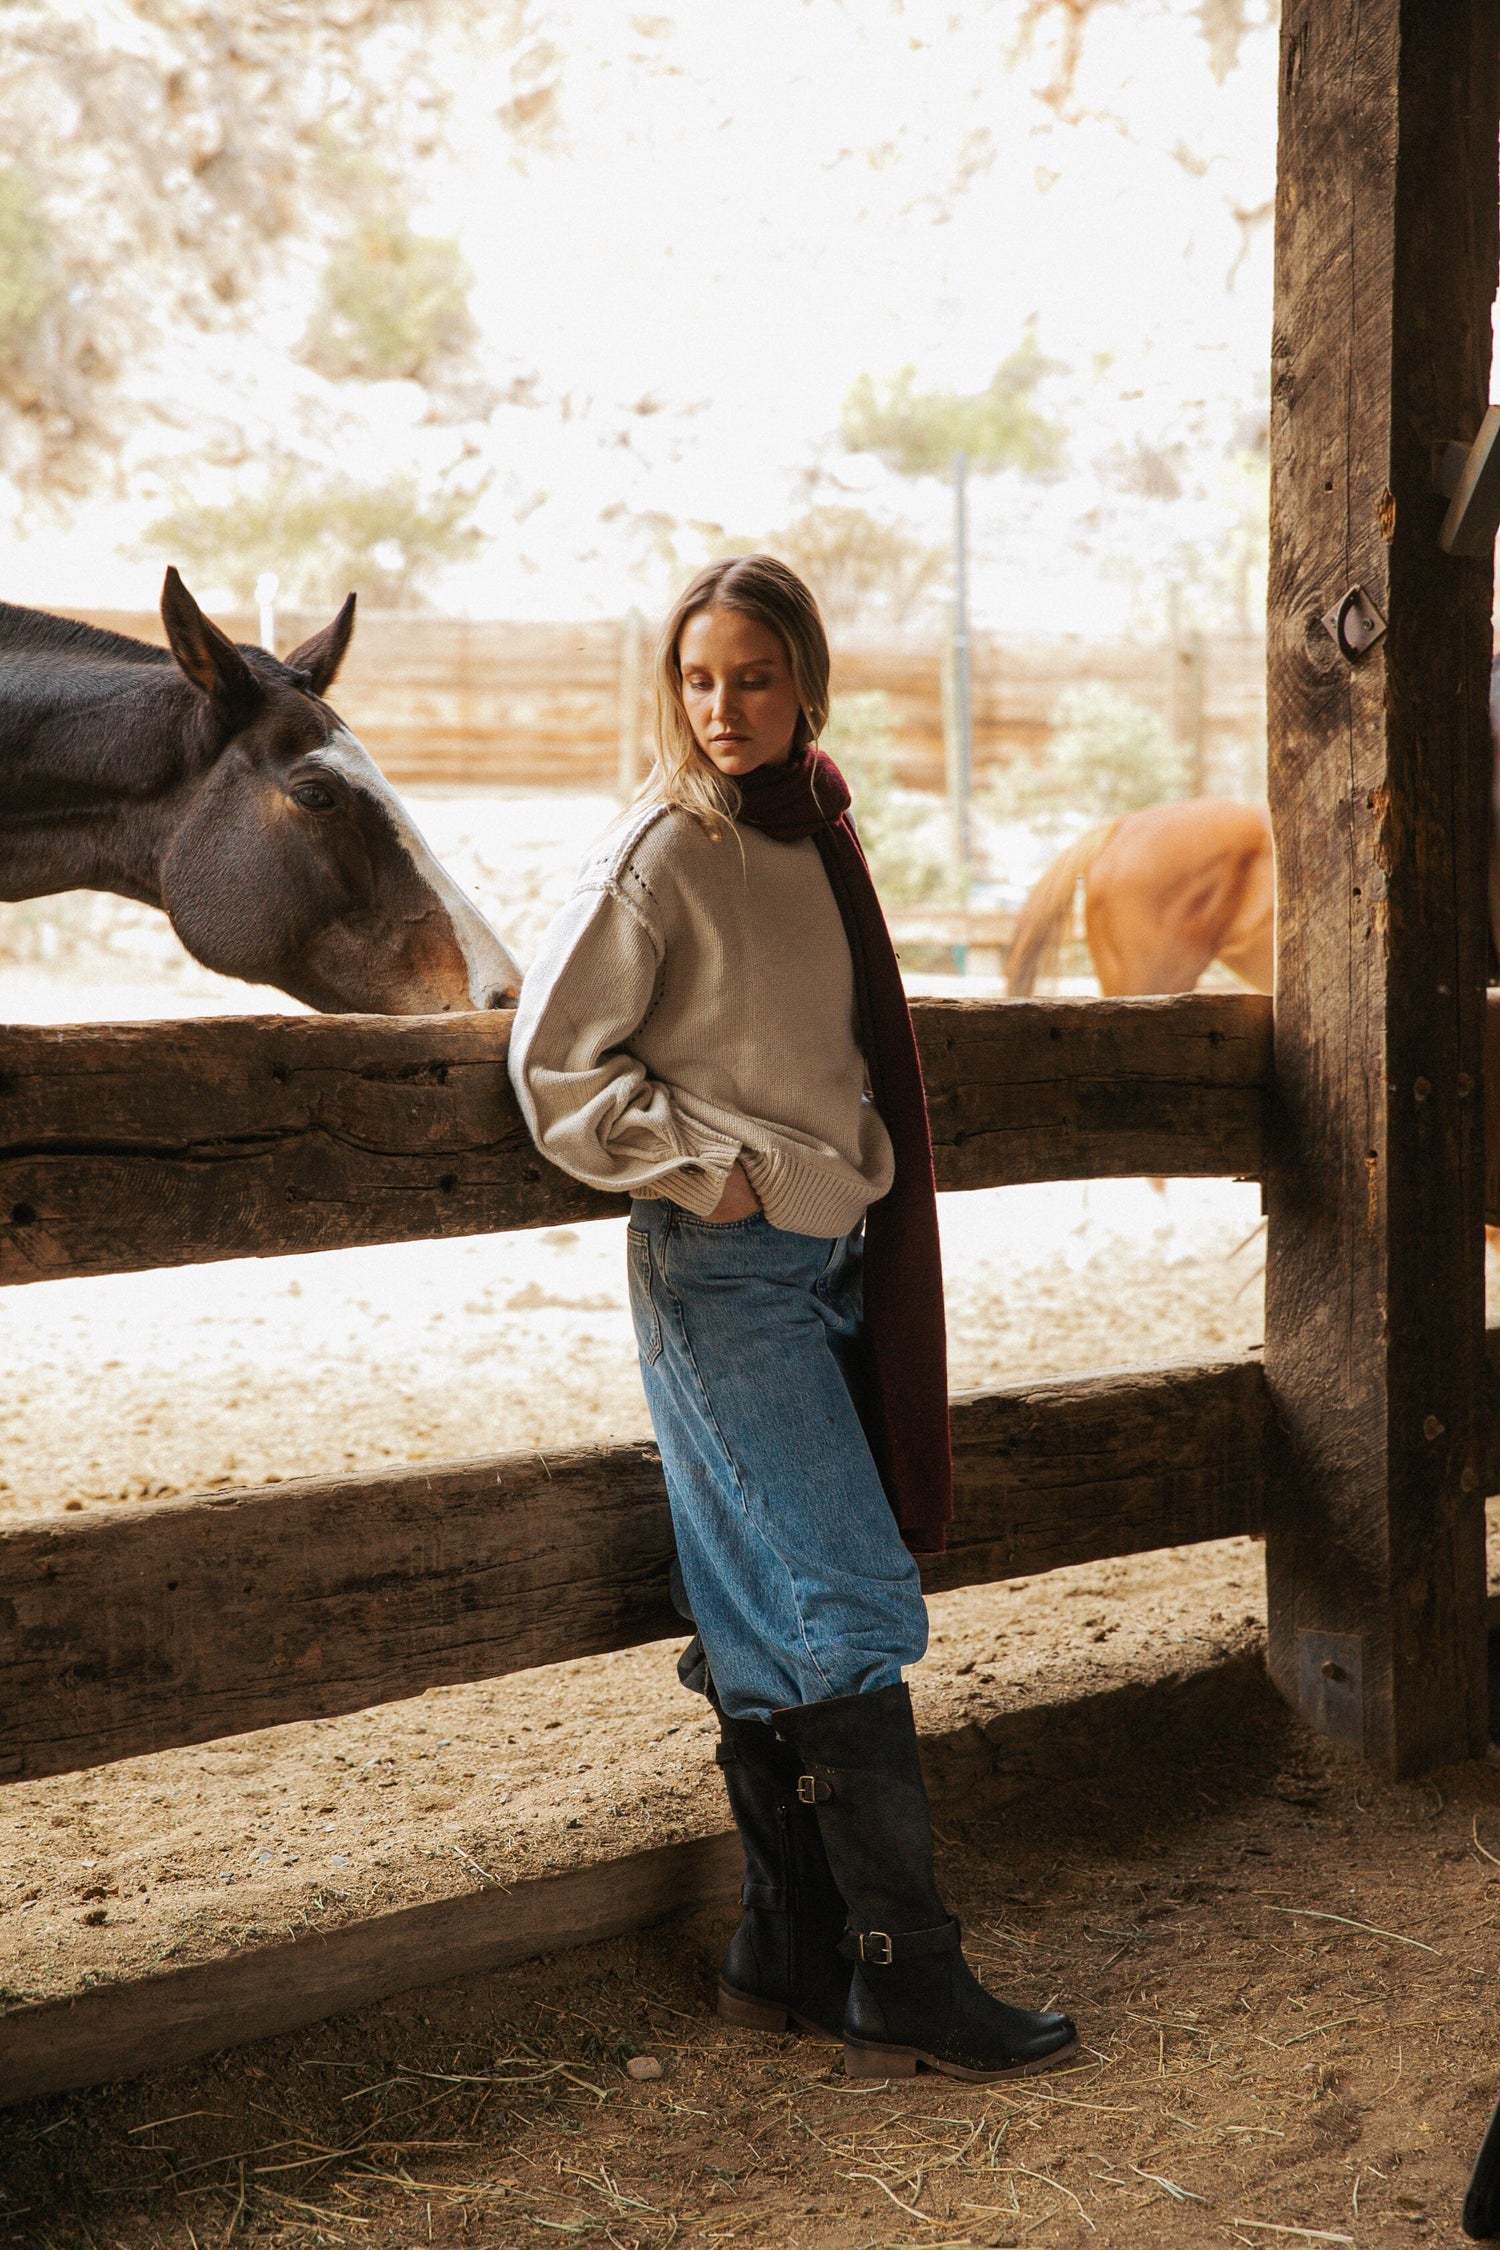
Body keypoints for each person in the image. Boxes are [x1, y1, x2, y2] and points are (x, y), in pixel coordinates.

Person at [509, 554, 1076, 2083]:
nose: (723, 706)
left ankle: (788, 1946)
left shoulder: (814, 828)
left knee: (766, 1612)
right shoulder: (664, 850)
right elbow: (554, 1065)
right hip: (726, 1269)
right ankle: (909, 1971)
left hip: (827, 1255)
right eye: (697, 679)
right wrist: (712, 1174)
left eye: (752, 677)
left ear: (805, 682)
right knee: (845, 1591)